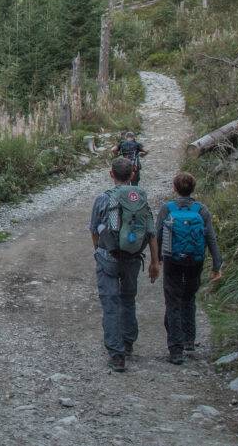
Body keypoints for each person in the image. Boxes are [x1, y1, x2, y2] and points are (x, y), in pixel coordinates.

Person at [89, 157, 160, 372]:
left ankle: (117, 355)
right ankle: (128, 342)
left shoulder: (103, 199)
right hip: (132, 258)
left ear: (111, 174)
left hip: (108, 258)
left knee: (110, 304)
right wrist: (155, 262)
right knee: (128, 300)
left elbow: (94, 230)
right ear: (132, 174)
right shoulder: (140, 199)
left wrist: (99, 251)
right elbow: (150, 232)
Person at [157, 172, 223, 365]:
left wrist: (157, 258)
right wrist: (217, 265)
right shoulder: (201, 210)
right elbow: (211, 238)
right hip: (195, 260)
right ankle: (189, 341)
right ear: (193, 188)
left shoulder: (167, 209)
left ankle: (175, 350)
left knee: (172, 301)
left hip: (172, 261)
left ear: (174, 188)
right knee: (189, 298)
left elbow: (158, 234)